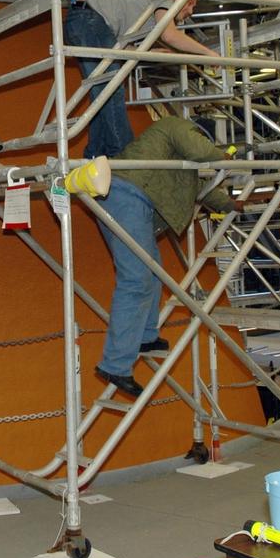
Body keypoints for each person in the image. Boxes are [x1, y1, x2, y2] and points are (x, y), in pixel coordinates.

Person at [92, 116, 242, 396]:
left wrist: (233, 205)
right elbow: (201, 150)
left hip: (129, 200)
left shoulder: (181, 162)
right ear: (201, 133)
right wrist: (225, 154)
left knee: (152, 271)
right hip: (129, 197)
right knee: (136, 280)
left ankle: (146, 337)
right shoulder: (178, 126)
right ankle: (115, 365)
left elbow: (203, 191)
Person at [65, 0, 220, 161]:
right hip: (89, 17)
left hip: (83, 18)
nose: (191, 11)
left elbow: (118, 47)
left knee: (102, 90)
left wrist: (147, 51)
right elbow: (170, 35)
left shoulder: (144, 12)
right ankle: (123, 152)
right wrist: (208, 53)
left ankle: (96, 154)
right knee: (110, 88)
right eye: (190, 3)